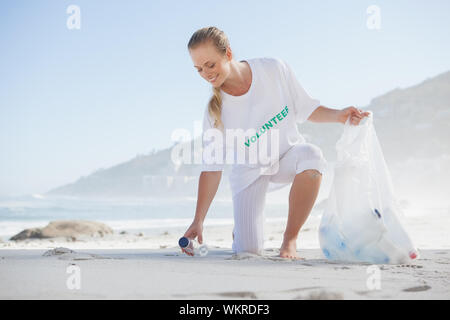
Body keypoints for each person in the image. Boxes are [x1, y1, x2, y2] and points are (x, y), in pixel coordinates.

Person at [182, 26, 369, 259]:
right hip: (250, 172)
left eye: (211, 65)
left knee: (312, 156)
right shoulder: (214, 112)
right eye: (199, 69)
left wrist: (339, 116)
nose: (206, 73)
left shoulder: (273, 69)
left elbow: (306, 108)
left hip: (287, 156)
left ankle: (289, 241)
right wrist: (198, 220)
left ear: (228, 54)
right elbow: (211, 170)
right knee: (248, 251)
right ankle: (241, 230)